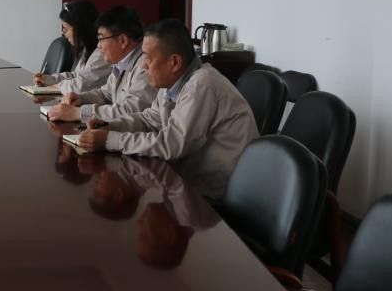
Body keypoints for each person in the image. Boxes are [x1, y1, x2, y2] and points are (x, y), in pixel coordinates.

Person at [76, 18, 258, 200]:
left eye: (148, 57)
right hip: (185, 182)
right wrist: (111, 126)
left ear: (174, 62)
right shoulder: (172, 81)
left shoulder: (202, 83)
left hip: (214, 197)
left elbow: (172, 144)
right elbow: (149, 120)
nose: (142, 65)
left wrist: (110, 140)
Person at [48, 5, 156, 123]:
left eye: (101, 39)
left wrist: (79, 113)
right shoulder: (121, 62)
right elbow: (106, 94)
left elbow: (130, 110)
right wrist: (80, 98)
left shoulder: (146, 66)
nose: (99, 45)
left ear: (122, 41)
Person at [33, 0, 106, 93]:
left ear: (80, 28)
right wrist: (49, 79)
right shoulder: (87, 50)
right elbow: (75, 75)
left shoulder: (101, 54)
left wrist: (56, 86)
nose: (63, 33)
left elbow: (81, 85)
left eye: (65, 29)